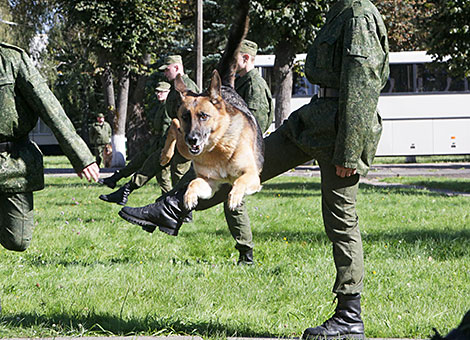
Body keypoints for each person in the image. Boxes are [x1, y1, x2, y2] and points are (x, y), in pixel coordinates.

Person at [118, 0, 389, 338]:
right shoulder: (340, 9)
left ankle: (350, 317)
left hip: (341, 130)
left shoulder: (358, 14)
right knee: (238, 166)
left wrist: (350, 151)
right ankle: (170, 208)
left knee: (340, 219)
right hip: (314, 120)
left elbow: (362, 85)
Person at [0, 42, 100, 312]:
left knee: (18, 240)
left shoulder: (12, 60)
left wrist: (80, 155)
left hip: (13, 162)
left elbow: (50, 108)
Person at [99, 56, 199, 205]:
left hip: (181, 142)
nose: (165, 73)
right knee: (151, 164)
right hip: (171, 139)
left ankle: (183, 211)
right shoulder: (176, 87)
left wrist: (176, 143)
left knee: (178, 177)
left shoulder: (186, 87)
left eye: (167, 69)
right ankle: (124, 190)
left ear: (177, 68)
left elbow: (191, 118)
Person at [99, 81, 173, 193]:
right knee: (136, 162)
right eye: (157, 92)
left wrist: (163, 148)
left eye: (162, 92)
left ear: (169, 92)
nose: (159, 94)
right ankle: (115, 178)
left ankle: (168, 202)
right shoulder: (161, 106)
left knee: (162, 176)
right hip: (155, 143)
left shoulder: (169, 108)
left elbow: (166, 129)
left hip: (163, 146)